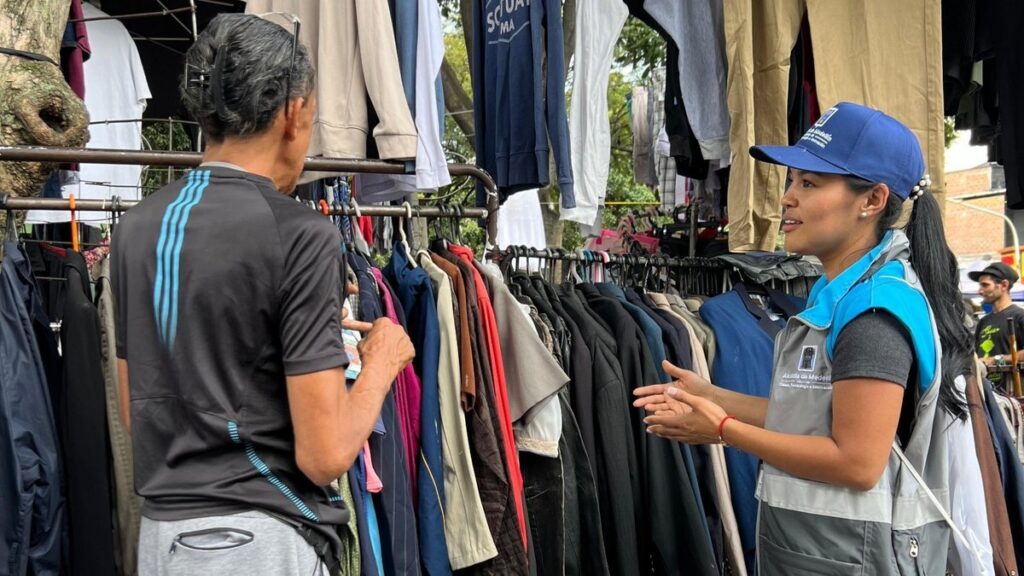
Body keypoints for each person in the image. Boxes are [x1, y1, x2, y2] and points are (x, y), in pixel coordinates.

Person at [110, 14, 414, 575]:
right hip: (258, 538)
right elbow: (324, 457)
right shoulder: (299, 235)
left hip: (161, 539)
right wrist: (382, 361)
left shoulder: (136, 228)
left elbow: (139, 410)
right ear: (293, 112)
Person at [634, 102, 978, 574]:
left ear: (872, 200)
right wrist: (712, 396)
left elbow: (856, 462)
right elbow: (812, 418)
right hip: (824, 553)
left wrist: (721, 430)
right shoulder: (838, 296)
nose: (788, 198)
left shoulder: (873, 312)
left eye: (810, 183)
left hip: (857, 558)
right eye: (792, 181)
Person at [971, 262, 1024, 385]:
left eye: (985, 285)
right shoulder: (983, 321)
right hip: (987, 391)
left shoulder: (1019, 316)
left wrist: (995, 360)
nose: (980, 291)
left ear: (1004, 285)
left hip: (1013, 394)